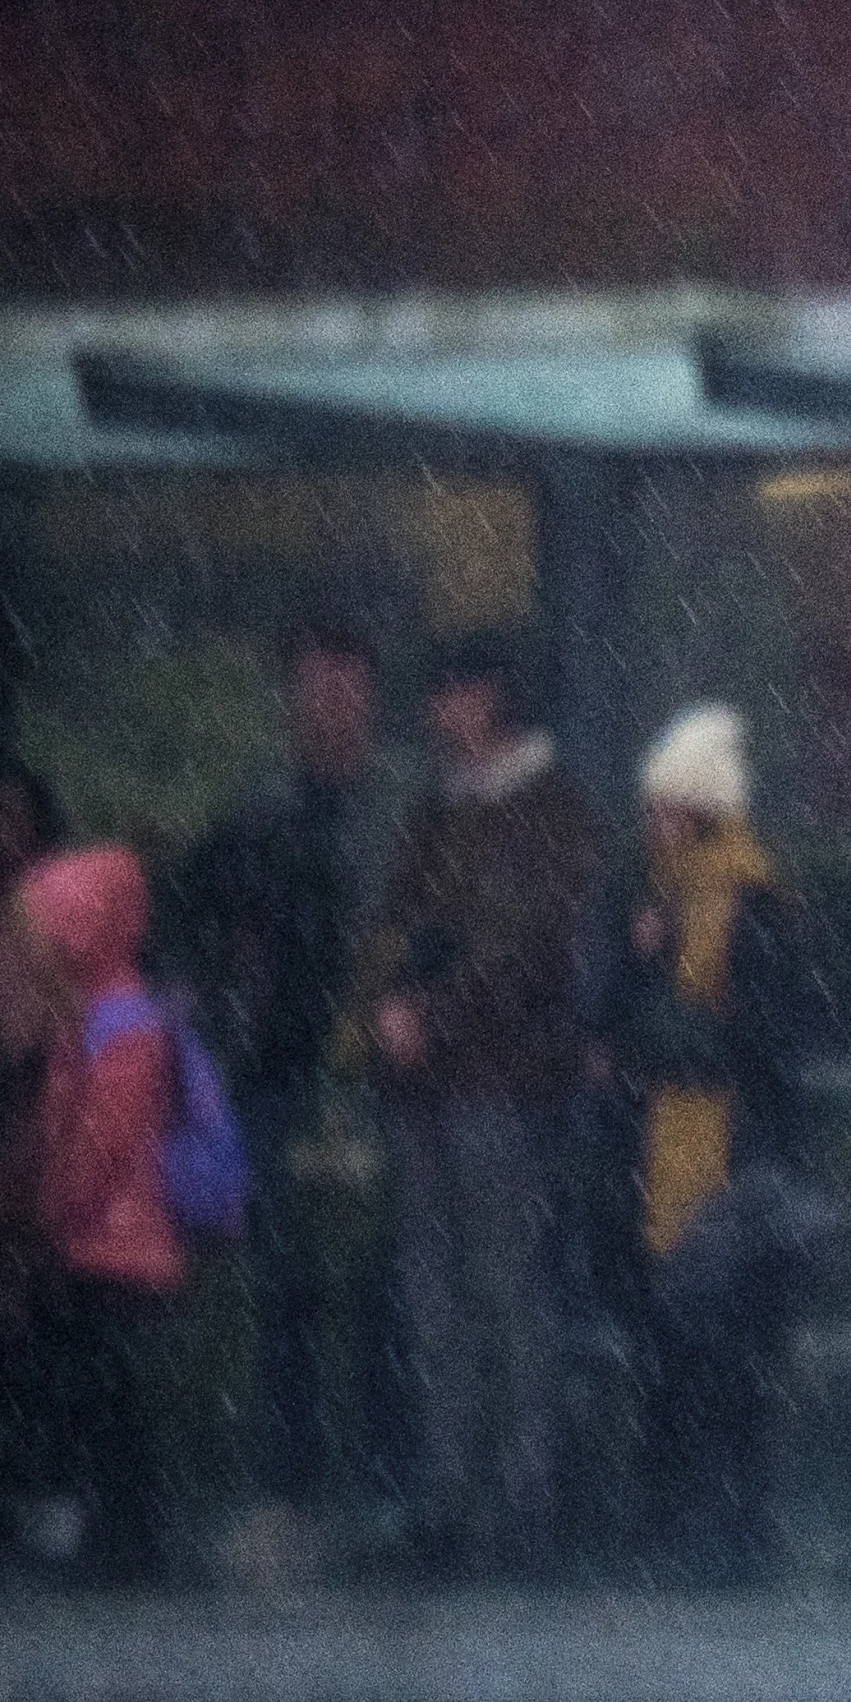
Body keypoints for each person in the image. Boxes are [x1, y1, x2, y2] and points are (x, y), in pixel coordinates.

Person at [356, 635, 600, 1577]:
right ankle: (450, 1491)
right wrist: (389, 1003)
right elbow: (398, 924)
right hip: (429, 1085)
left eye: (449, 693)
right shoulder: (438, 811)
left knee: (502, 1286)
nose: (435, 714)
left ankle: (523, 1493)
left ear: (489, 699)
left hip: (499, 1082)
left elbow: (530, 945)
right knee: (435, 1292)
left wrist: (432, 1013)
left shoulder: (549, 813)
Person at [165, 622, 408, 1561]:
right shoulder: (258, 804)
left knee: (384, 1284)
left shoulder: (402, 804)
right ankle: (291, 1484)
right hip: (276, 1070)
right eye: (315, 693)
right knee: (286, 1288)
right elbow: (203, 909)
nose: (330, 712)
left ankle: (389, 1488)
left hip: (372, 1075)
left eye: (346, 693)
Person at [586, 704, 806, 1583]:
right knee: (668, 1343)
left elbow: (756, 1041)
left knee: (730, 1348)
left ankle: (727, 1521)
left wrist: (654, 1031)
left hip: (731, 1159)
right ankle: (676, 1516)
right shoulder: (647, 906)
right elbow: (602, 1017)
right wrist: (641, 968)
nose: (651, 829)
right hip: (659, 1161)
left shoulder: (753, 908)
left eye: (666, 811)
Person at [0, 845, 184, 1581]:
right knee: (99, 1393)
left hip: (115, 1241)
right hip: (99, 1238)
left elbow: (101, 1142)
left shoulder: (119, 1023)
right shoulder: (96, 1014)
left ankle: (129, 1534)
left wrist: (50, 1207)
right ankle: (119, 1528)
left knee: (105, 1394)